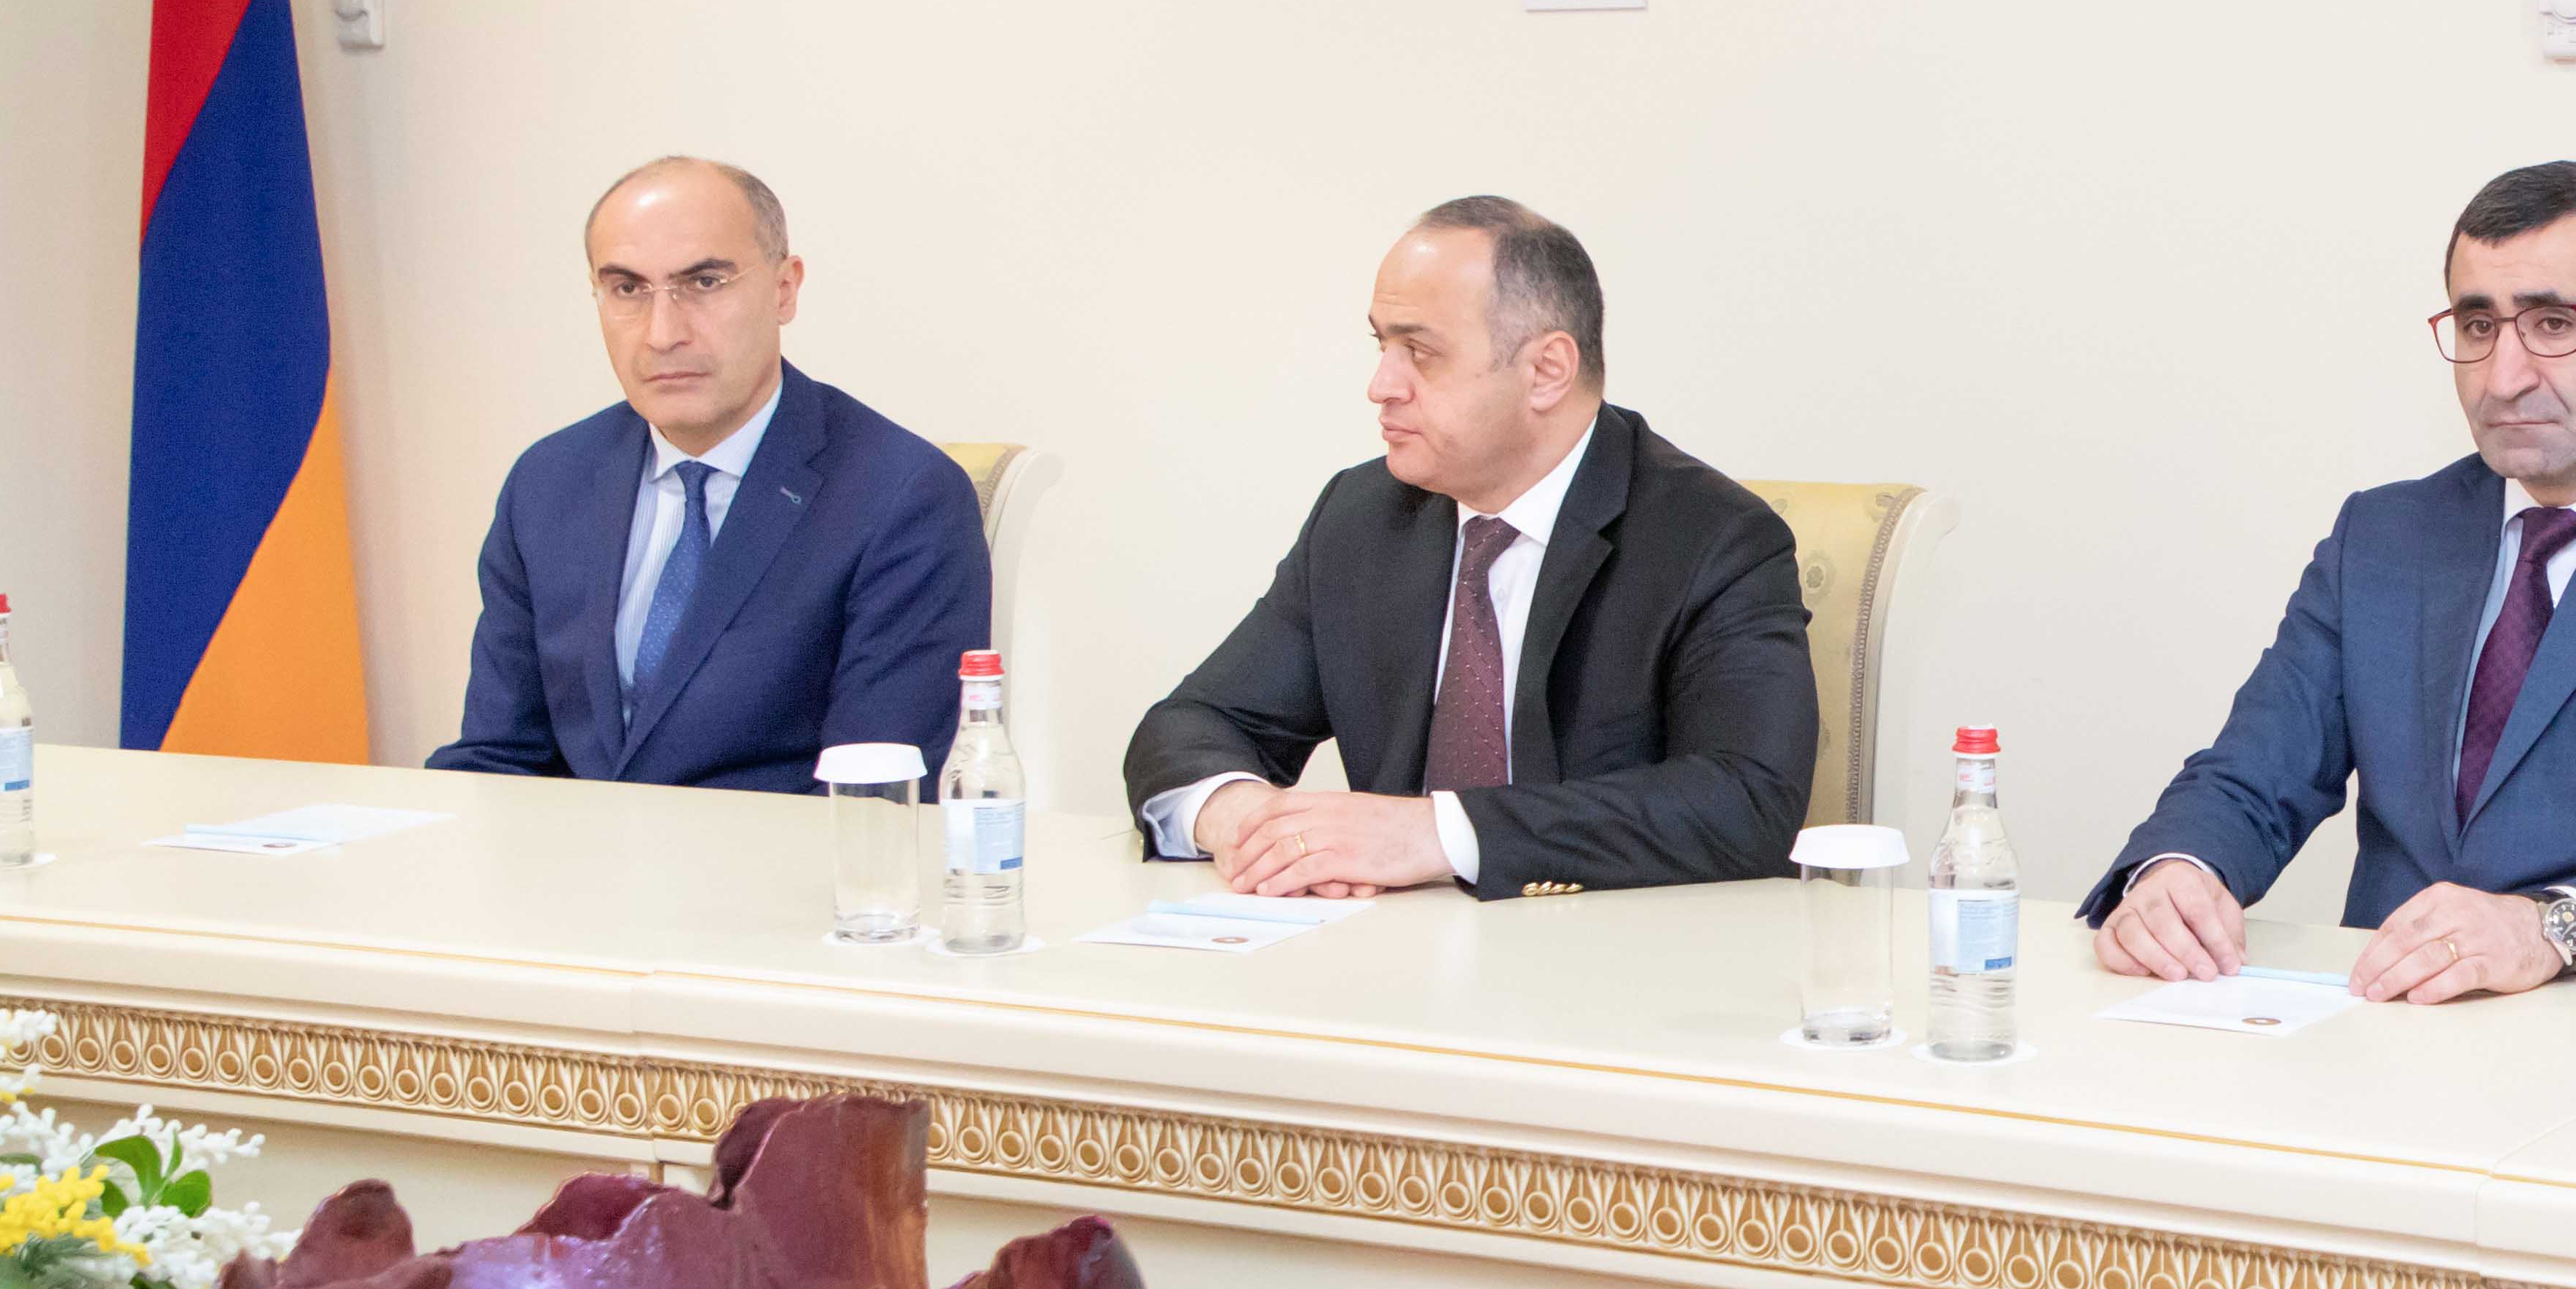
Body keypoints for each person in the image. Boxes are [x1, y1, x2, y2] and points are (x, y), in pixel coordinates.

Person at [2087, 160, 2576, 1000]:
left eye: (2553, 323)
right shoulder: (2381, 537)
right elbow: (2251, 776)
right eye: (2477, 325)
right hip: (2380, 1027)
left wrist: (2552, 928)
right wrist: (2179, 870)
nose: (2503, 376)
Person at [1125, 197, 1813, 898]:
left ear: (1547, 371)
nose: (1381, 386)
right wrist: (1248, 821)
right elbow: (1192, 724)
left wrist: (1436, 834)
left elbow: (1748, 802)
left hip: (1608, 952)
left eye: (1420, 352)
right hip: (1383, 945)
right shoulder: (1361, 518)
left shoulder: (1713, 539)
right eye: (1382, 347)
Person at [429, 158, 990, 792]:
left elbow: (872, 797)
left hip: (784, 854)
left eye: (704, 282)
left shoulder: (904, 496)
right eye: (628, 289)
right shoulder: (549, 481)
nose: (662, 334)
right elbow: (500, 756)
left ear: (784, 290)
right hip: (573, 852)